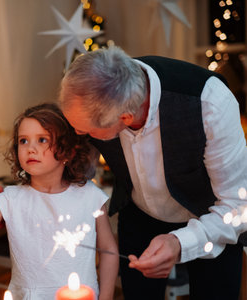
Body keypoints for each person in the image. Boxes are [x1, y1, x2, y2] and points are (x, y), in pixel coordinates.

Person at [59, 45, 247, 299]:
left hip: (212, 220)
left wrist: (179, 242)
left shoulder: (210, 101)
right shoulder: (99, 88)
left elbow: (237, 206)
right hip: (138, 216)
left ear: (124, 118)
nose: (78, 135)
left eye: (86, 130)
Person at [0, 103, 119, 299]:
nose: (30, 148)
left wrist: (106, 296)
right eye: (23, 141)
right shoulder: (11, 199)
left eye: (42, 140)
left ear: (68, 151)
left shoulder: (89, 196)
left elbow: (108, 249)